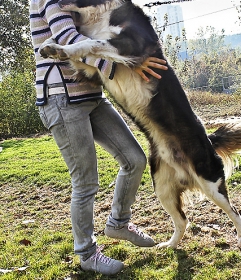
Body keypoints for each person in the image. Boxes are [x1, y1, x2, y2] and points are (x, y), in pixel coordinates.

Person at [29, 0, 167, 276]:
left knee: (135, 159)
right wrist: (127, 64)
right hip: (61, 99)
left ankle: (117, 223)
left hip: (92, 96)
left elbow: (98, 28)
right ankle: (87, 254)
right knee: (85, 181)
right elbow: (69, 39)